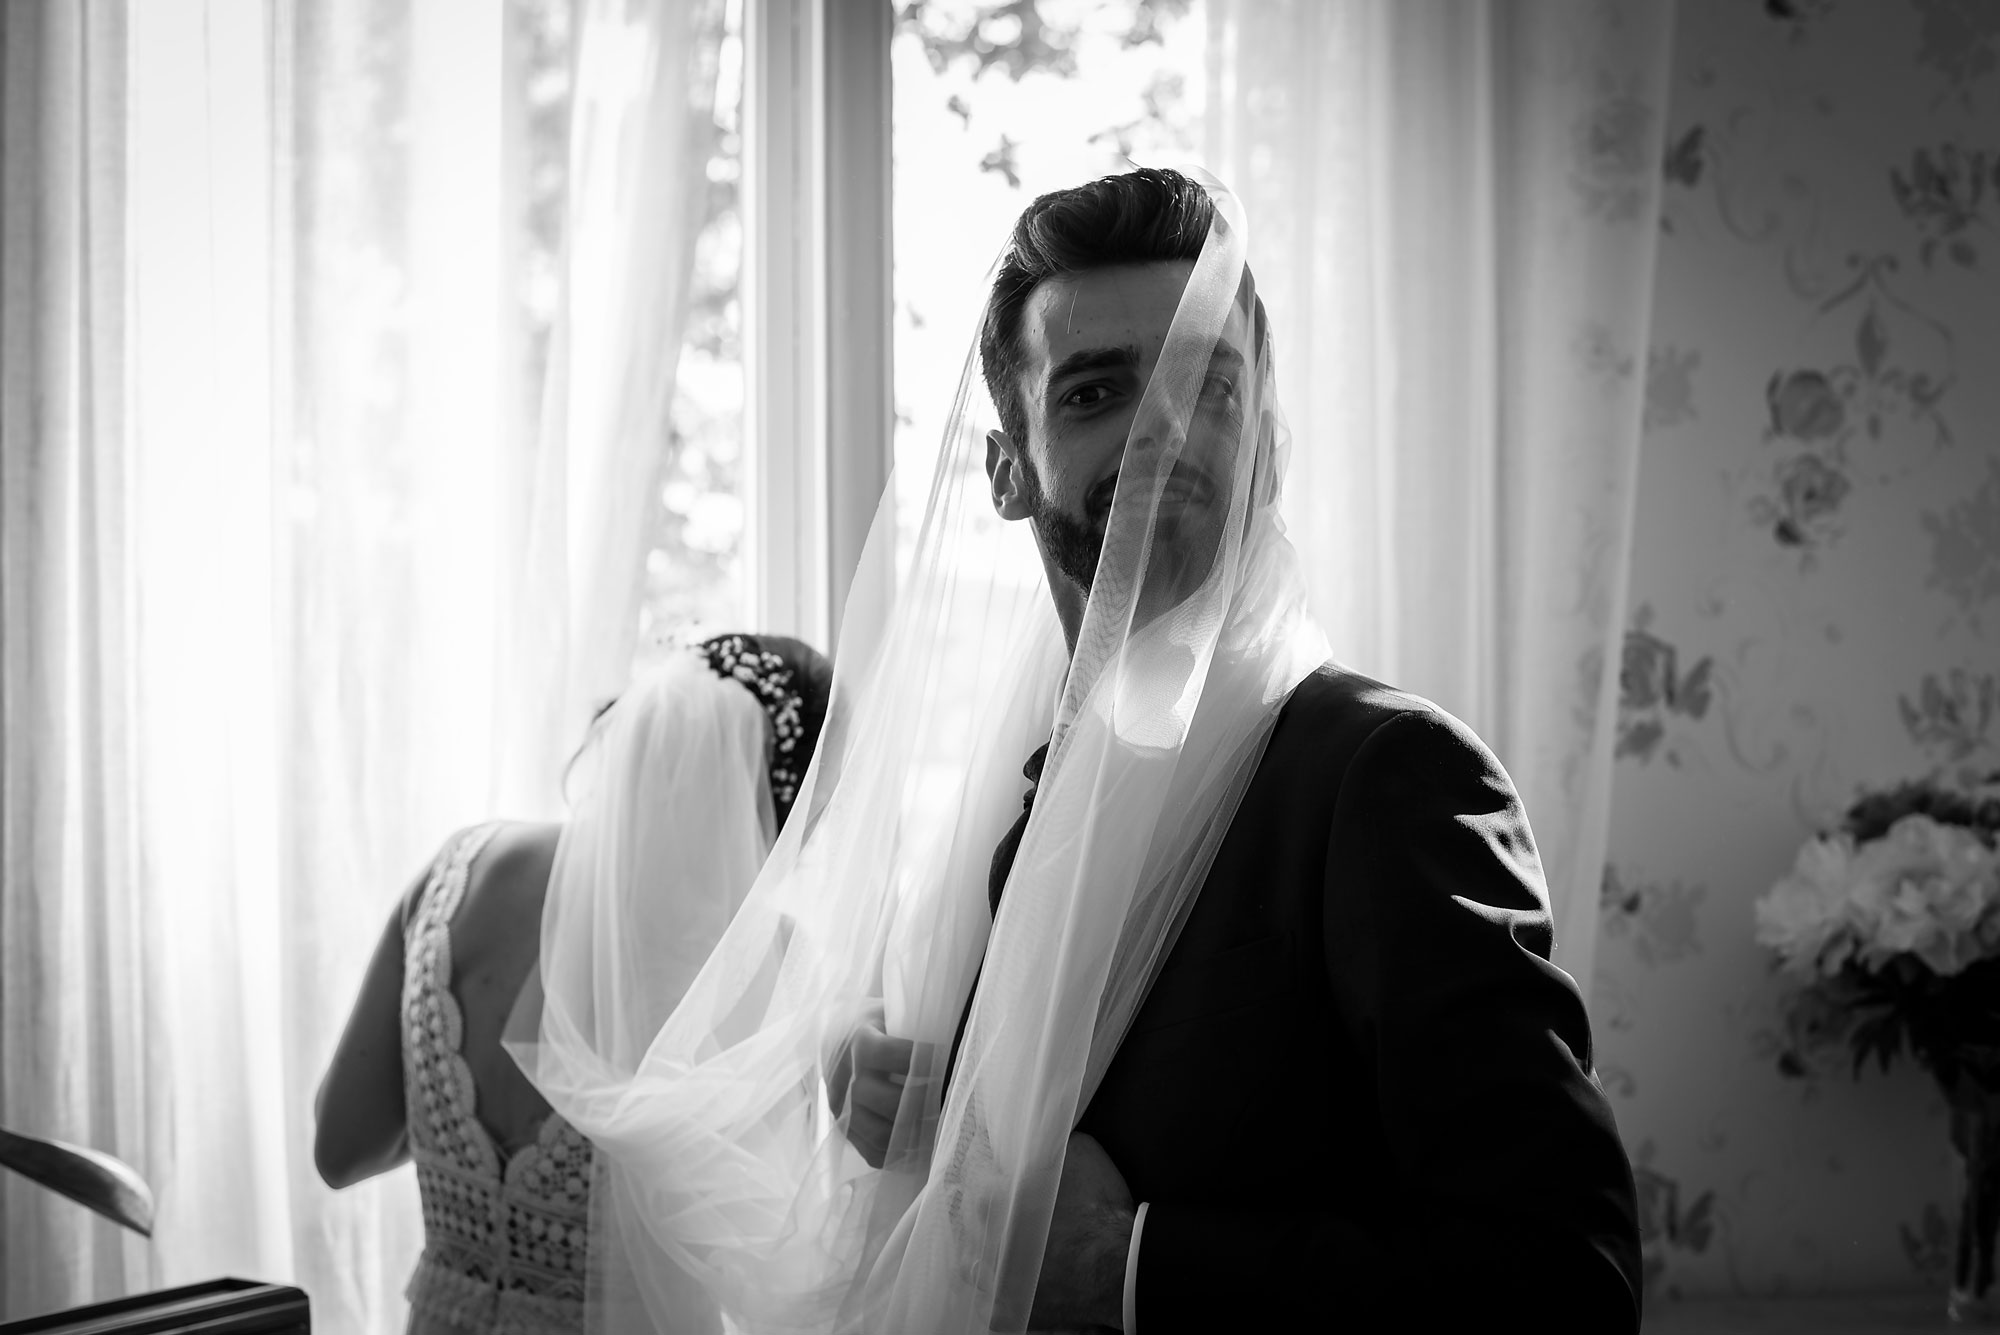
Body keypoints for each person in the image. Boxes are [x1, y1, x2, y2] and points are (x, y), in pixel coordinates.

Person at [523, 168, 1640, 1335]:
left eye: (1209, 385)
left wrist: (1129, 1265)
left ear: (1269, 445)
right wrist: (913, 1113)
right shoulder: (1016, 798)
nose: (1163, 429)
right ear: (1007, 469)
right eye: (1097, 391)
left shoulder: (1391, 777)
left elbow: (1569, 1283)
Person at [312, 633, 832, 1335]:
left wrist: (452, 1125)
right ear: (775, 805)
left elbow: (340, 1149)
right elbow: (768, 1258)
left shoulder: (457, 871)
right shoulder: (757, 961)